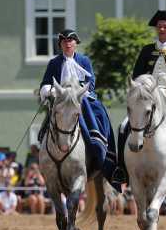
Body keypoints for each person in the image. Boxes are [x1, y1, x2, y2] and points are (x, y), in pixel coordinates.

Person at [113, 8, 166, 188]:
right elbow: (137, 75)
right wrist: (143, 91)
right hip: (147, 100)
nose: (162, 29)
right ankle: (121, 169)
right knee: (123, 127)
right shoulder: (146, 50)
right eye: (160, 26)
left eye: (165, 27)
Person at [38, 29, 120, 192]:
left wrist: (78, 91)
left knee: (98, 113)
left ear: (75, 43)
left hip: (81, 100)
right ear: (60, 44)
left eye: (71, 41)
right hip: (61, 102)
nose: (68, 44)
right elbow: (45, 84)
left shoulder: (84, 60)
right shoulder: (54, 63)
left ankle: (102, 150)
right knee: (45, 128)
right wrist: (51, 91)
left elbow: (91, 82)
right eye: (64, 41)